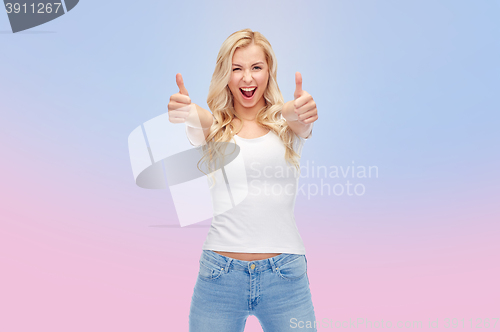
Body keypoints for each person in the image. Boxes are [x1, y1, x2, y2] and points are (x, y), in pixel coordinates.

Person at [168, 28, 319, 332]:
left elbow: (292, 115)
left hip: (285, 275)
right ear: (226, 74)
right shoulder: (214, 129)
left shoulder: (286, 127)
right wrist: (188, 111)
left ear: (268, 72)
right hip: (219, 277)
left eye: (256, 67)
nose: (247, 78)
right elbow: (203, 121)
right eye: (237, 69)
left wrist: (299, 108)